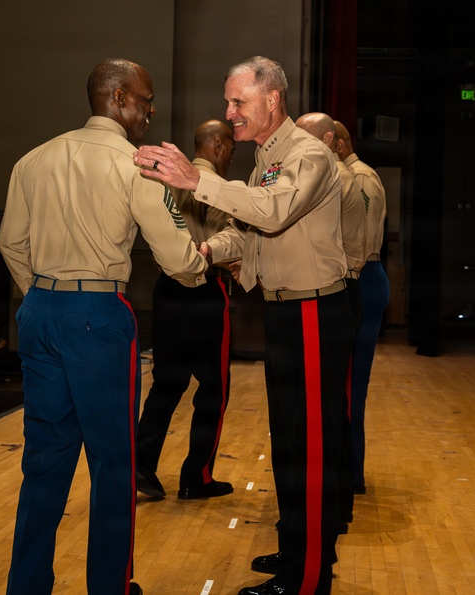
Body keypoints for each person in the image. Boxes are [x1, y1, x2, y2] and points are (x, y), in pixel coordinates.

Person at [135, 56, 353, 595]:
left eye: (239, 102)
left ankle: (308, 580)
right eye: (229, 102)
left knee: (309, 448)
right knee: (289, 444)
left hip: (312, 311)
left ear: (272, 100)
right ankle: (297, 551)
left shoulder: (307, 154)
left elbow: (273, 212)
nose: (229, 113)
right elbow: (252, 231)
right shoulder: (266, 160)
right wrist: (207, 250)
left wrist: (196, 182)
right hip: (286, 310)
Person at [0, 57, 208, 595]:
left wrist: (42, 296)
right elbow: (179, 261)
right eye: (144, 99)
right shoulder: (136, 164)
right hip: (97, 318)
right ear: (117, 99)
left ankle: (26, 588)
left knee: (44, 463)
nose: (150, 109)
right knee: (114, 466)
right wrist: (205, 259)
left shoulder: (33, 159)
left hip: (40, 313)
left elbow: (9, 244)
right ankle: (109, 588)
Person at [136, 119, 236, 501]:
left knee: (166, 384)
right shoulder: (220, 189)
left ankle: (142, 467)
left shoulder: (160, 182)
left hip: (166, 293)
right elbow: (223, 243)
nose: (230, 155)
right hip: (205, 293)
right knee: (214, 391)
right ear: (218, 145)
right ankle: (198, 478)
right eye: (231, 148)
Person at [295, 112, 366, 533]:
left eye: (302, 139)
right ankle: (334, 510)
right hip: (343, 288)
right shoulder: (333, 173)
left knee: (322, 417)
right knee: (329, 412)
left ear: (328, 140)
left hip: (337, 290)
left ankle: (326, 516)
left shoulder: (332, 177)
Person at [334, 120, 390, 495]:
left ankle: (352, 473)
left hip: (362, 279)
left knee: (353, 384)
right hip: (354, 279)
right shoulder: (346, 176)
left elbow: (362, 241)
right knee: (341, 383)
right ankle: (343, 467)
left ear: (336, 143)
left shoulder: (361, 179)